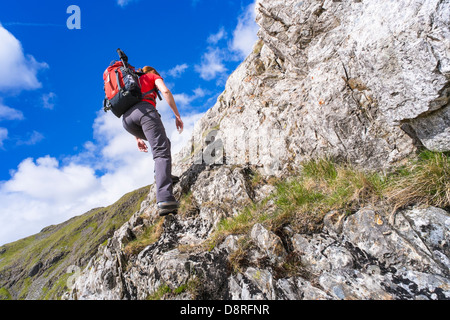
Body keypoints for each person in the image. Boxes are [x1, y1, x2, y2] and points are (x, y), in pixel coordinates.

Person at [121, 66, 183, 216]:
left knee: (164, 142)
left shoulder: (133, 81)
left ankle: (161, 174)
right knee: (161, 151)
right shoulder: (152, 77)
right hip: (145, 113)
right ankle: (165, 199)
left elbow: (130, 105)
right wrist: (177, 115)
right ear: (155, 72)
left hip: (127, 120)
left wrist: (137, 137)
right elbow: (166, 91)